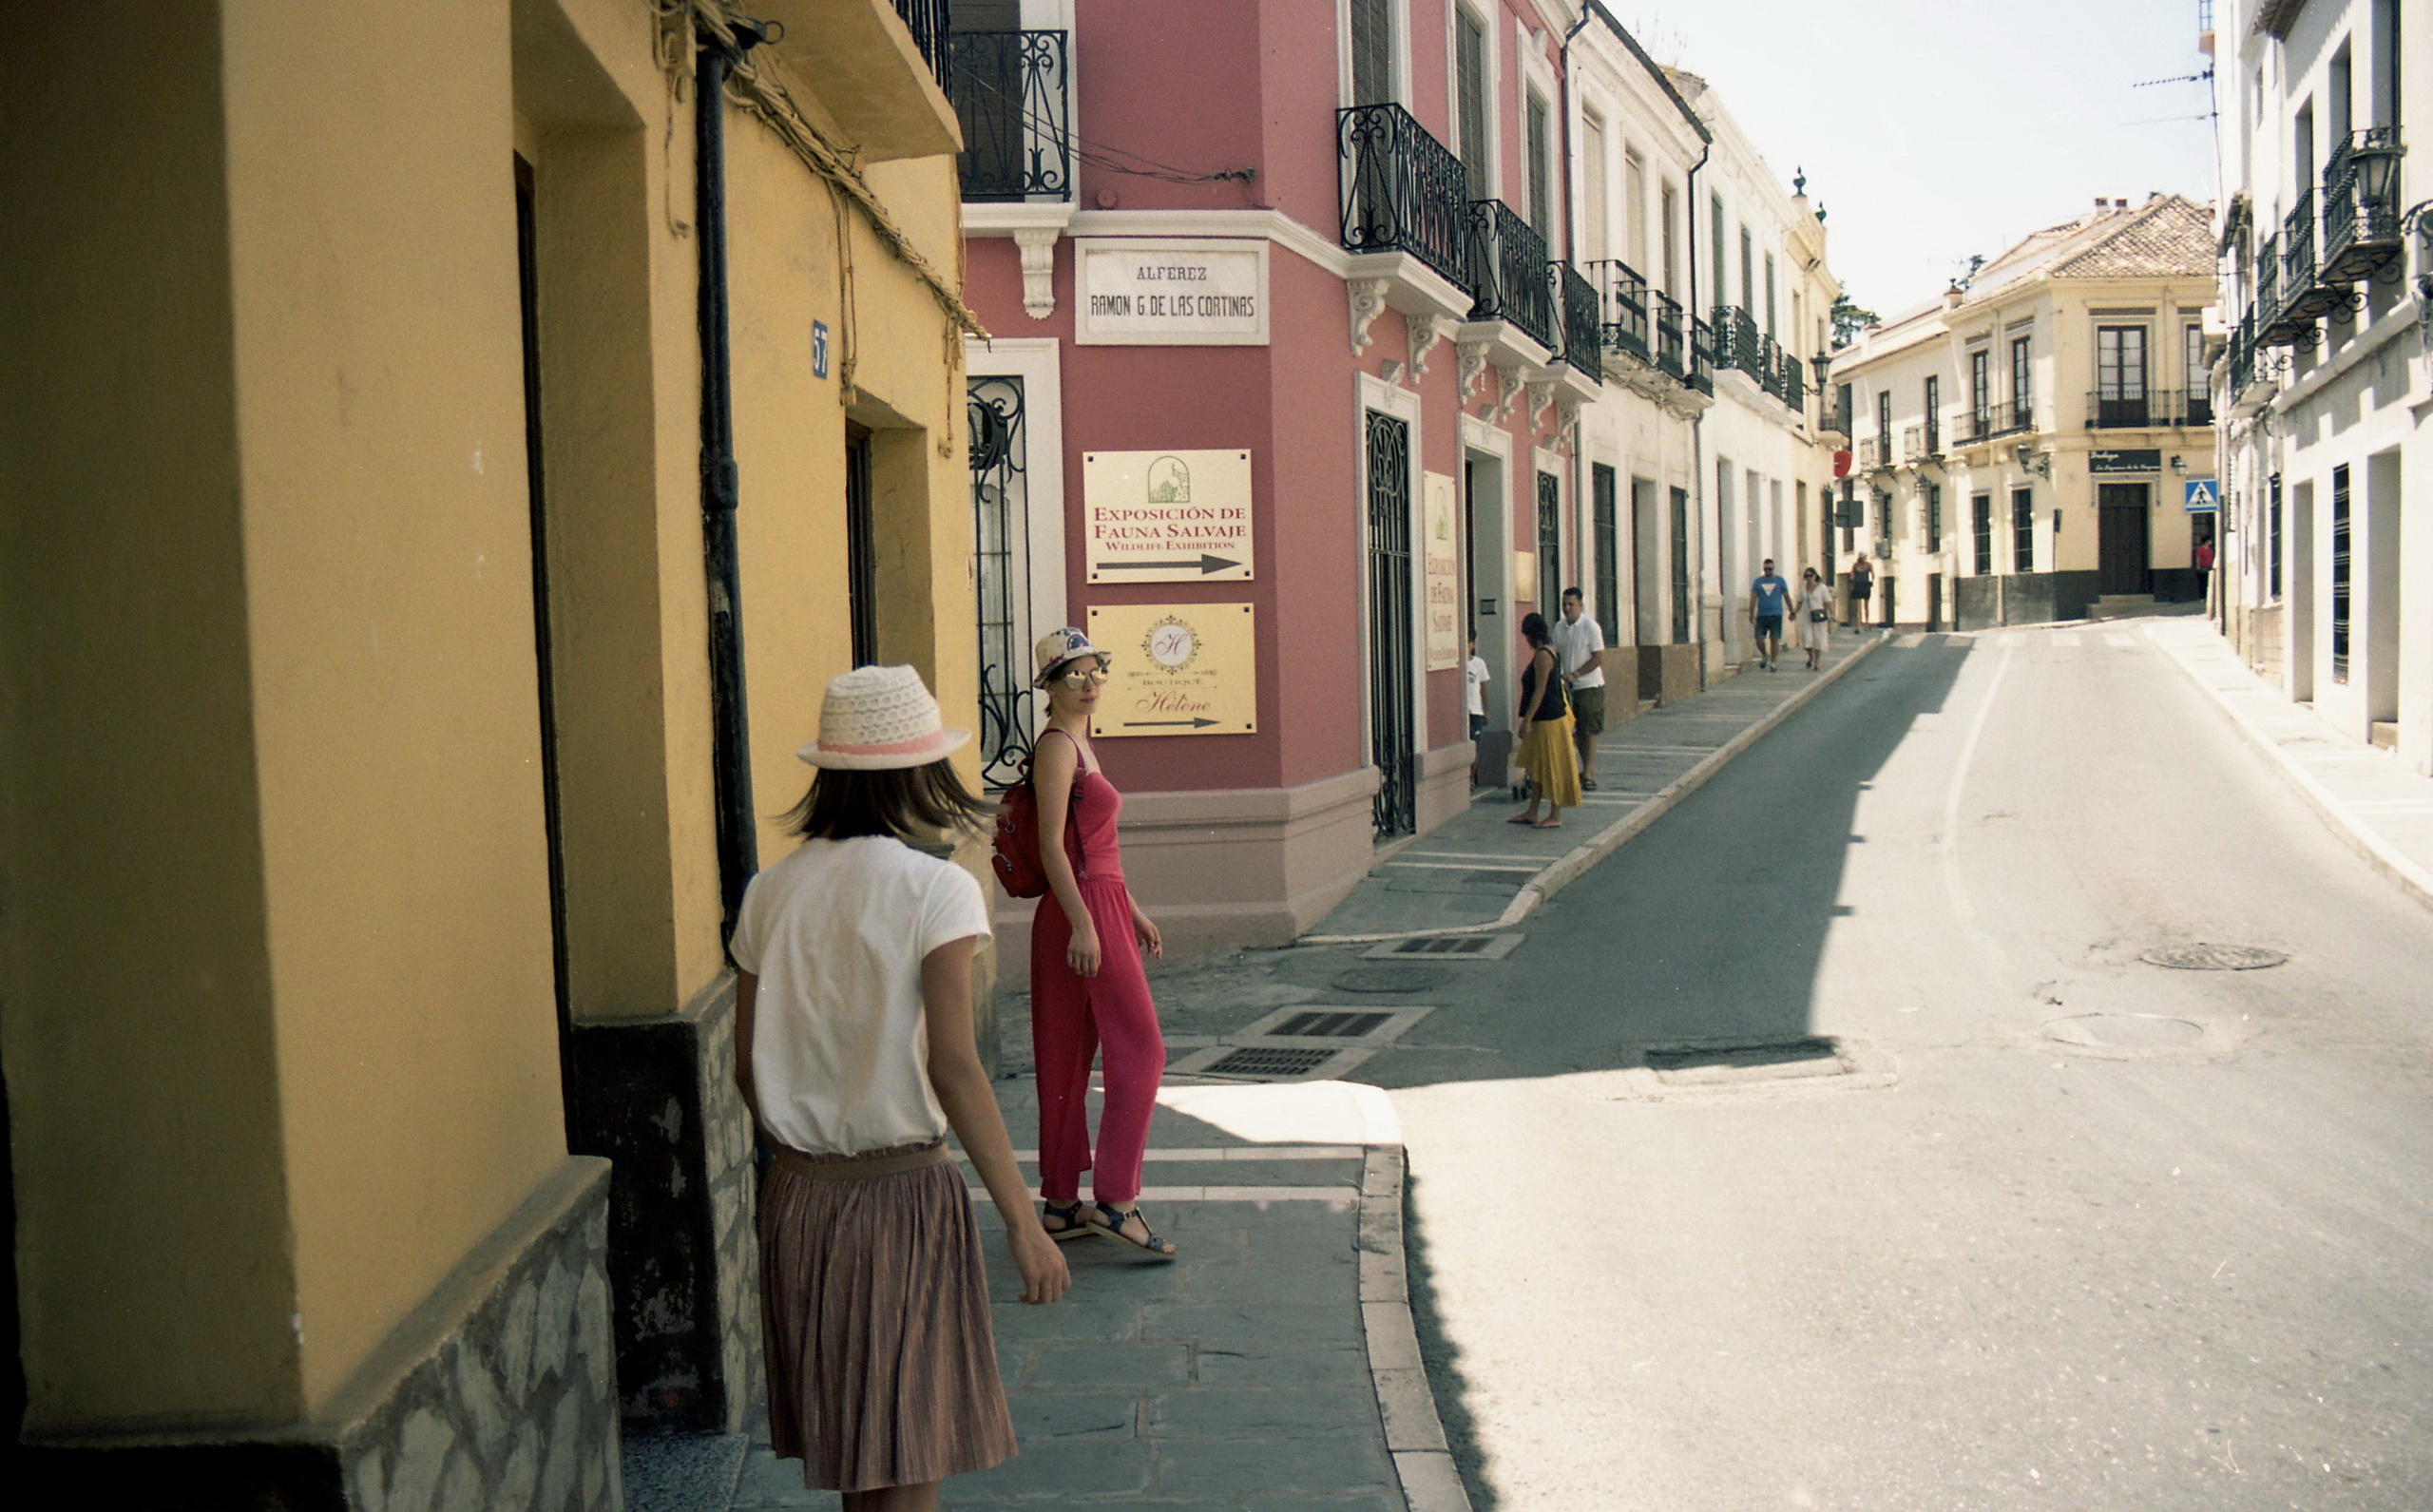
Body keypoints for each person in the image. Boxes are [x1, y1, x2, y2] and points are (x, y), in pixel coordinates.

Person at [734, 663, 1069, 1509]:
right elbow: (953, 1064)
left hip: (801, 1199)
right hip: (902, 1197)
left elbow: (746, 1065)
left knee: (858, 1454)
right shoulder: (936, 889)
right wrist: (1023, 1224)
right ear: (918, 774)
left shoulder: (769, 892)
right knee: (913, 1447)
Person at [1025, 628, 1178, 1260]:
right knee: (1141, 1044)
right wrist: (1087, 922)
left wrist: (1132, 908)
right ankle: (1116, 1201)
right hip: (1081, 909)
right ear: (1050, 687)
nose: (1089, 685)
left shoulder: (1081, 742)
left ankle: (1061, 1203)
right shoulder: (1059, 747)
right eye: (1073, 675)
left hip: (1098, 903)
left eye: (1095, 672)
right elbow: (1051, 847)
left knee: (1071, 1050)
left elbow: (1095, 845)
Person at [1510, 612, 1580, 830]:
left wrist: (1526, 721)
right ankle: (1532, 811)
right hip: (1545, 719)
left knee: (1552, 767)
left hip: (1549, 719)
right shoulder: (1550, 651)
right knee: (1538, 767)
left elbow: (1539, 691)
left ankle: (1555, 814)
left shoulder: (1543, 655)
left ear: (1532, 634)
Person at [1554, 587, 1607, 791]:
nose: (1567, 608)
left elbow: (1598, 657)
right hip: (1568, 688)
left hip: (1589, 685)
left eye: (1571, 604)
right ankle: (1581, 770)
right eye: (1564, 604)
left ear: (1580, 605)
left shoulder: (1590, 627)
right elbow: (1556, 653)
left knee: (1588, 730)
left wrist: (1576, 674)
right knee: (1573, 731)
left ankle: (1589, 771)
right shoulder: (1559, 627)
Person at [1748, 558, 1791, 672]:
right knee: (1758, 638)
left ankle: (1773, 662)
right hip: (1762, 614)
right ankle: (1764, 654)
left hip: (1776, 614)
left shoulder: (1780, 581)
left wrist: (1791, 610)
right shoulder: (1758, 582)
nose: (1768, 571)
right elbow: (1753, 597)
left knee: (1774, 639)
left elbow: (1786, 596)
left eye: (1770, 569)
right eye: (1766, 569)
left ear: (1773, 569)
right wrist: (1751, 613)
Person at [1464, 634, 1490, 787]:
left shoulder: (1478, 664)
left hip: (1476, 711)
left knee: (1475, 747)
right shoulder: (1459, 664)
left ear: (1472, 644)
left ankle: (1471, 778)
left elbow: (1483, 689)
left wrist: (1487, 711)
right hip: (1463, 712)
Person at [1798, 566, 1831, 671]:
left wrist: (1831, 613)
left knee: (1818, 639)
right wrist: (1794, 612)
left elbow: (1828, 602)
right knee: (1807, 640)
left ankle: (1817, 662)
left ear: (1815, 576)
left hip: (1819, 616)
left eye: (1810, 576)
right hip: (1806, 616)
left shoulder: (1822, 588)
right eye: (1806, 576)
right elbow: (1799, 602)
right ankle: (1810, 656)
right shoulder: (1803, 589)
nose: (1808, 578)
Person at [1849, 554, 1874, 629]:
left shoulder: (1856, 565)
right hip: (1865, 585)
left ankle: (1860, 625)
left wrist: (1852, 580)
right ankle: (1863, 624)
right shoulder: (1868, 565)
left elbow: (1851, 576)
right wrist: (1871, 582)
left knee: (1860, 607)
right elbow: (1873, 575)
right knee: (1863, 606)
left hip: (1858, 585)